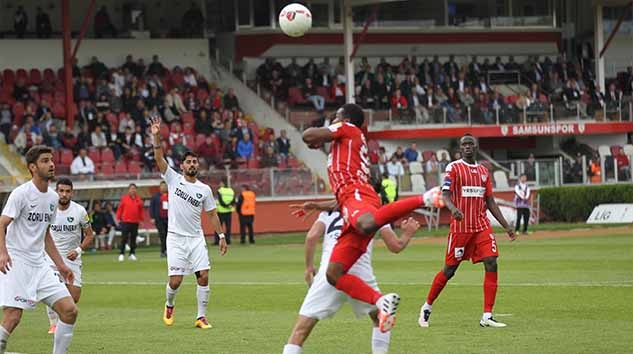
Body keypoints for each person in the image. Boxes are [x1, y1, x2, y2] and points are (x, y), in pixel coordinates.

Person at [300, 103, 430, 333]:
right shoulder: (347, 176)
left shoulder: (347, 129)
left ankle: (426, 198)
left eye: (336, 118)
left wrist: (324, 133)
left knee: (300, 330)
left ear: (344, 119)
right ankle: (381, 301)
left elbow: (307, 135)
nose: (334, 121)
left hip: (343, 258)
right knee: (375, 315)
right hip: (353, 263)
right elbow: (394, 245)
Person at [282, 211, 420, 354]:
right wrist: (408, 233)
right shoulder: (375, 210)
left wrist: (309, 267)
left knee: (301, 330)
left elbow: (311, 236)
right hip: (359, 271)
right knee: (380, 317)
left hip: (329, 270)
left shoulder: (332, 210)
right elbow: (395, 246)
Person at [418, 134, 516, 329]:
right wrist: (453, 209)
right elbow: (445, 194)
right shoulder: (453, 168)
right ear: (460, 149)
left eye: (471, 144)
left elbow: (489, 201)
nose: (468, 147)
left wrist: (506, 226)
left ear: (476, 147)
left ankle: (487, 315)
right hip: (461, 228)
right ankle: (427, 306)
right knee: (449, 270)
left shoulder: (483, 171)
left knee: (492, 261)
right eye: (464, 145)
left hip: (481, 225)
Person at [149, 116, 228, 329]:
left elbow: (212, 214)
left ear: (197, 165)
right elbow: (158, 158)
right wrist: (156, 135)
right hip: (175, 238)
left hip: (196, 238)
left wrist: (221, 236)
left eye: (195, 162)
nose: (192, 164)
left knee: (203, 276)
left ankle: (201, 317)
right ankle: (169, 304)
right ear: (182, 165)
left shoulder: (204, 190)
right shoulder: (173, 179)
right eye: (188, 162)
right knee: (175, 281)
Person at [0, 145, 78, 354]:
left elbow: (45, 234)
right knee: (13, 317)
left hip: (40, 265)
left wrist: (61, 265)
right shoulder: (21, 194)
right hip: (16, 263)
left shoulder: (52, 198)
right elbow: (2, 223)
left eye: (51, 160)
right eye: (45, 161)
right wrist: (2, 252)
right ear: (33, 167)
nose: (51, 164)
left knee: (69, 311)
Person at [45, 178, 94, 334]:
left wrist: (78, 250)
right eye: (61, 191)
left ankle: (59, 319)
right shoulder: (48, 209)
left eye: (67, 191)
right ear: (56, 191)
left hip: (72, 258)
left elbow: (89, 235)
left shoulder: (80, 211)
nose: (64, 194)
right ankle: (53, 323)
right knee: (53, 289)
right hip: (51, 257)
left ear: (72, 192)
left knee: (74, 297)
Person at [116, 184, 144, 262]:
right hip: (125, 221)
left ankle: (132, 254)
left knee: (133, 239)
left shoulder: (139, 199)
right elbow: (120, 209)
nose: (133, 190)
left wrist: (141, 220)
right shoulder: (124, 199)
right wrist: (118, 218)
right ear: (129, 190)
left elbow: (141, 211)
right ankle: (121, 254)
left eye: (134, 189)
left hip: (135, 222)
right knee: (124, 238)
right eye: (131, 189)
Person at [150, 181, 169, 258]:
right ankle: (163, 251)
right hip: (159, 219)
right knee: (162, 235)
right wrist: (152, 217)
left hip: (169, 219)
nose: (164, 187)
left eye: (165, 186)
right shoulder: (155, 196)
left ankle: (169, 251)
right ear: (160, 187)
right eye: (162, 186)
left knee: (169, 235)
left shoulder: (171, 195)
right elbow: (152, 207)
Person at [215, 177, 235, 245]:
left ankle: (217, 240)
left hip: (221, 211)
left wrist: (225, 206)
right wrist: (229, 206)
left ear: (223, 183)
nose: (220, 184)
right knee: (228, 227)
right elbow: (233, 201)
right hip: (229, 211)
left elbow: (220, 201)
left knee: (218, 227)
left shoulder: (220, 190)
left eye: (220, 183)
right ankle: (228, 240)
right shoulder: (231, 190)